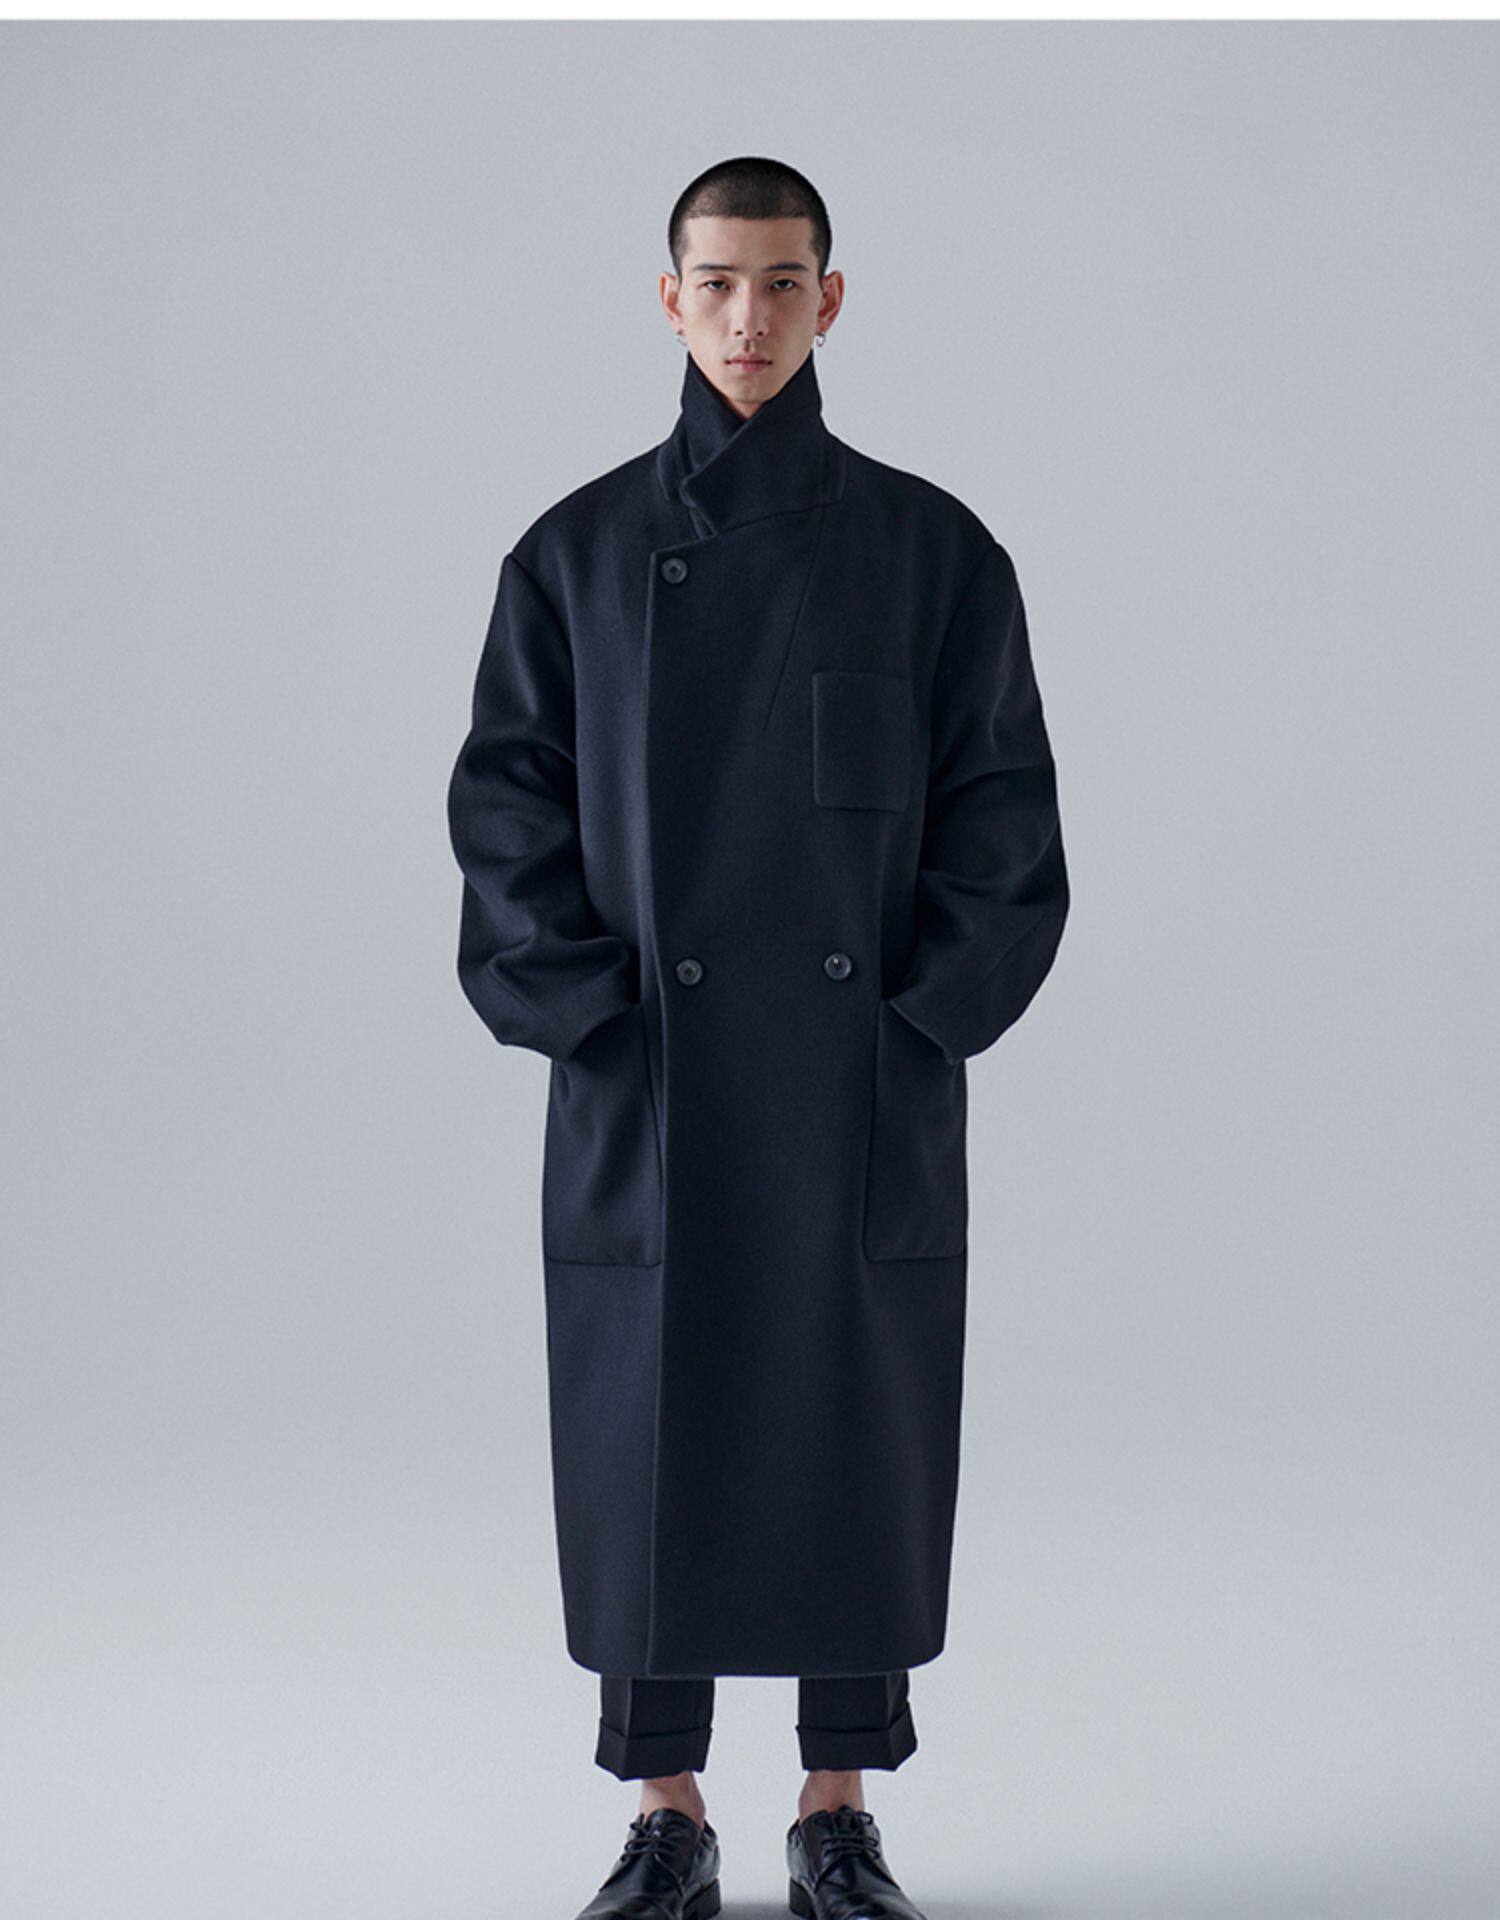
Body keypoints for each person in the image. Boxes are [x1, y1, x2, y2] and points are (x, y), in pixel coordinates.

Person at [446, 155, 1069, 1920]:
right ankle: (665, 1815)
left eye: (782, 282)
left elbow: (1005, 821)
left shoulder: (934, 555)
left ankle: (836, 1811)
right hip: (656, 1089)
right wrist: (591, 1014)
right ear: (669, 300)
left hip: (853, 1099)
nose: (747, 318)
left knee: (852, 1443)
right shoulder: (572, 558)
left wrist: (915, 1025)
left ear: (830, 299)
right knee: (645, 1448)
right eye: (716, 284)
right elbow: (504, 812)